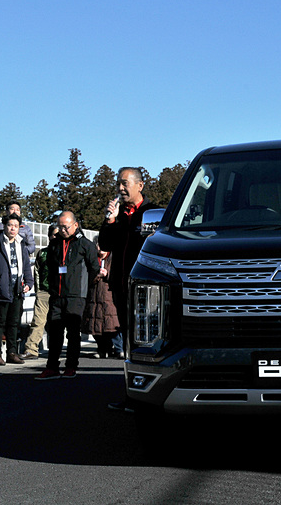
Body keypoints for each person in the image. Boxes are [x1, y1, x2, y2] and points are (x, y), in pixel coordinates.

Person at [98, 167, 159, 409]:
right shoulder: (119, 214)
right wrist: (110, 219)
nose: (121, 188)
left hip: (147, 290)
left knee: (146, 341)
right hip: (121, 286)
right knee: (129, 343)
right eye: (118, 184)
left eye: (125, 183)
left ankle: (150, 394)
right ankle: (132, 395)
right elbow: (105, 244)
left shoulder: (152, 213)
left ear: (140, 185)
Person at [35, 211, 99, 380]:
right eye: (60, 226)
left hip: (76, 295)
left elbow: (94, 268)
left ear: (75, 225)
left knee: (73, 333)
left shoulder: (85, 244)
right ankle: (52, 367)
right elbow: (49, 266)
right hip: (57, 294)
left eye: (66, 227)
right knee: (54, 331)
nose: (62, 230)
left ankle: (71, 366)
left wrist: (84, 288)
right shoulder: (55, 243)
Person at [0, 214, 33, 365]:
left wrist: (29, 282)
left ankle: (12, 353)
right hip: (0, 291)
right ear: (4, 226)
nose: (12, 229)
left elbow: (26, 265)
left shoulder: (21, 244)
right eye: (10, 225)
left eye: (16, 226)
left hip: (17, 289)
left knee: (14, 324)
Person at [21, 223, 58, 359]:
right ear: (49, 236)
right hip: (44, 291)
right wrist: (38, 290)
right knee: (38, 320)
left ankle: (56, 349)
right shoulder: (42, 253)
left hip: (60, 292)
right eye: (54, 235)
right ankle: (31, 349)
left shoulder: (67, 252)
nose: (56, 237)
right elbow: (36, 272)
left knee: (57, 323)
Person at [82, 246, 120, 359]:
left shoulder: (114, 258)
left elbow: (118, 275)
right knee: (96, 325)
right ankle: (102, 349)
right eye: (98, 245)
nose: (100, 248)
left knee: (112, 324)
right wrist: (96, 275)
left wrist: (107, 274)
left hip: (109, 296)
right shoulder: (92, 258)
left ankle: (119, 349)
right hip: (93, 296)